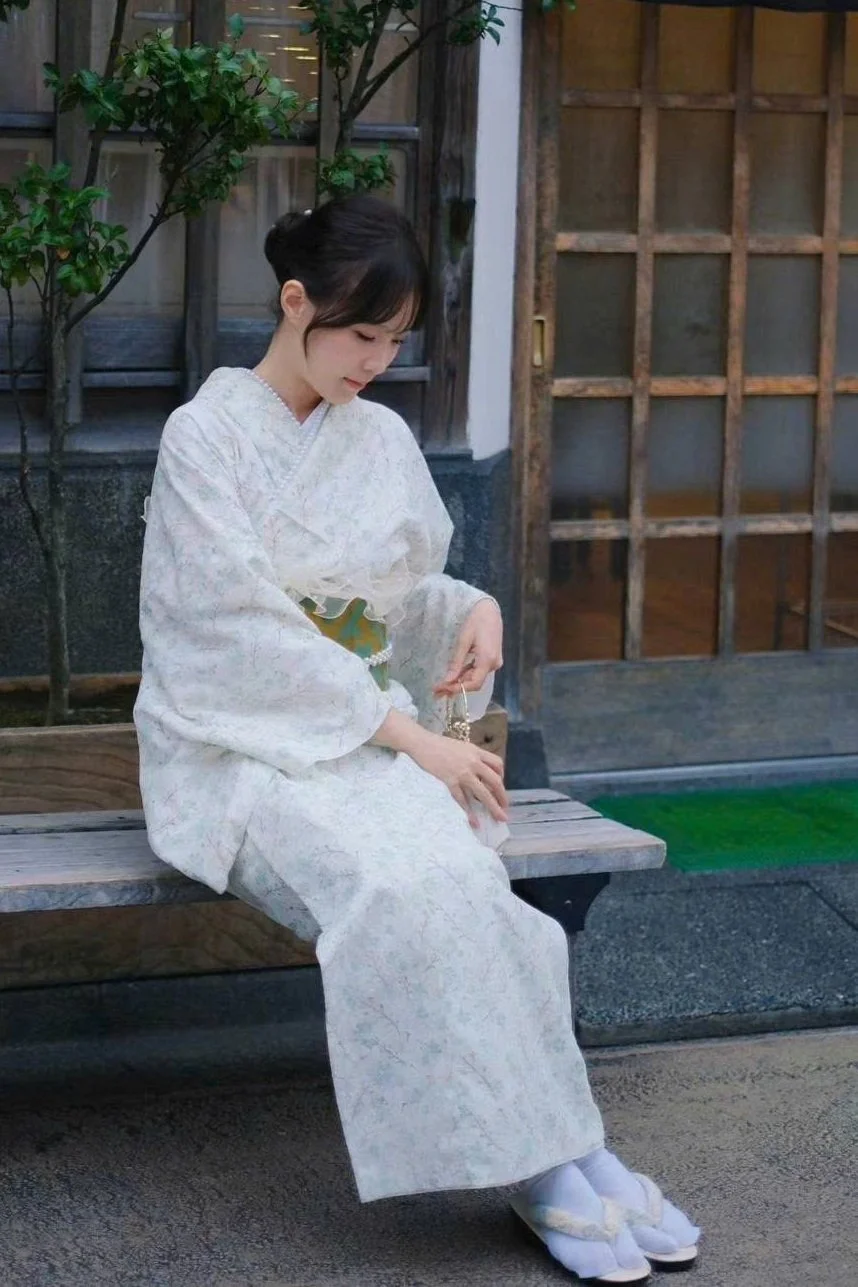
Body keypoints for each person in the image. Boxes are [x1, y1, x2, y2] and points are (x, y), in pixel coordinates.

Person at [134, 194, 700, 1284]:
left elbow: (394, 597)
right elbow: (228, 628)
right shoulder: (204, 437)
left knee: (462, 880)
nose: (377, 363)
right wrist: (412, 739)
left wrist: (469, 608)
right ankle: (539, 1173)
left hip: (361, 734)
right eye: (360, 334)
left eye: (395, 341)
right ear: (295, 302)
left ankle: (573, 1146)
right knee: (390, 891)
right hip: (235, 745)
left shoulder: (378, 437)